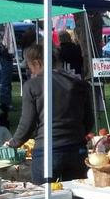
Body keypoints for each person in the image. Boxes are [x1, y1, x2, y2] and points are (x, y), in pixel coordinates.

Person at [8, 43, 94, 184]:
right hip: (76, 149)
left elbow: (27, 123)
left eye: (29, 66)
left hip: (48, 151)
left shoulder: (32, 86)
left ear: (37, 63)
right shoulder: (78, 84)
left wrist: (13, 143)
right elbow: (89, 120)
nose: (29, 70)